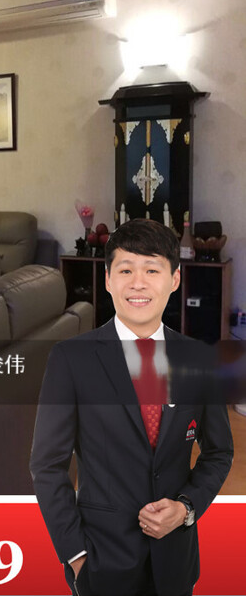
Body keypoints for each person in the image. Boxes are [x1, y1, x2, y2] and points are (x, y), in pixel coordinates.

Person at [30, 218, 233, 596]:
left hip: (176, 563)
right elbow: (47, 465)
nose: (138, 283)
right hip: (100, 563)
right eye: (125, 270)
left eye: (152, 270)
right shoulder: (70, 359)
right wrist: (75, 555)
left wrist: (186, 508)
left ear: (174, 279)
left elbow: (219, 452)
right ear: (108, 279)